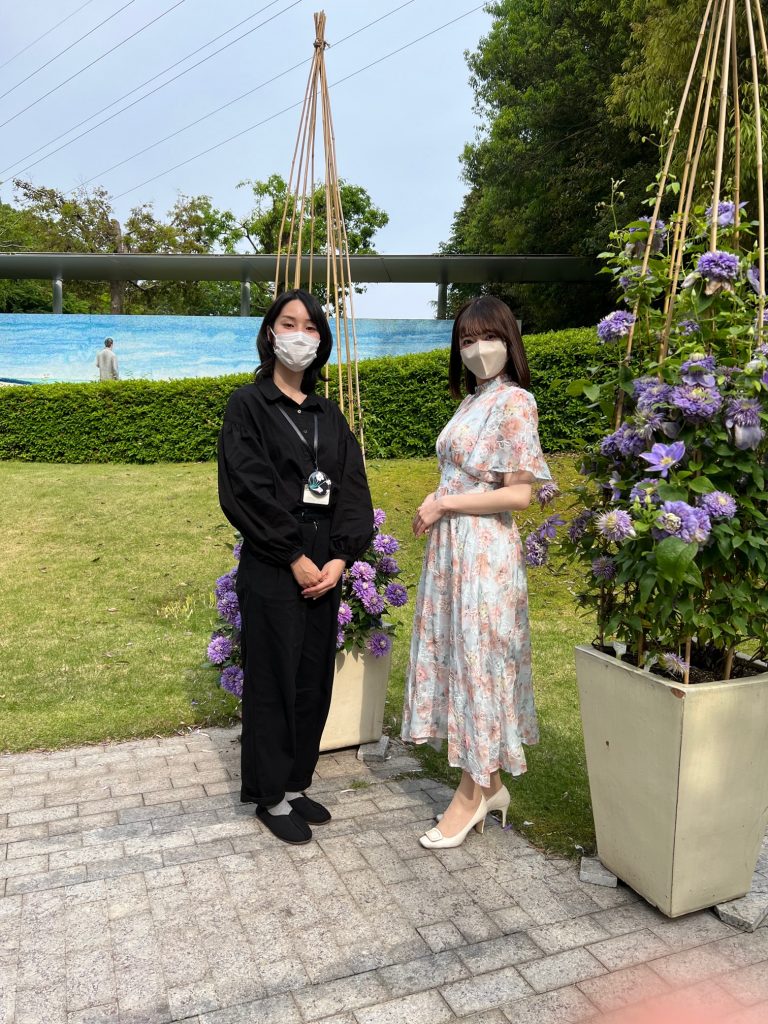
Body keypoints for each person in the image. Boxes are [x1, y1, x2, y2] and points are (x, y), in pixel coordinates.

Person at [217, 289, 373, 846]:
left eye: (310, 326)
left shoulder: (328, 414)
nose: (299, 335)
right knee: (273, 678)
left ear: (321, 340)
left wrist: (340, 557)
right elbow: (246, 489)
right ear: (270, 333)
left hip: (325, 563)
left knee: (311, 679)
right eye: (288, 324)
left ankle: (295, 781)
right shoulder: (248, 406)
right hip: (274, 562)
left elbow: (351, 486)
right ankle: (268, 794)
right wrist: (293, 556)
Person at [402, 295, 552, 850]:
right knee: (461, 663)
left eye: (488, 337)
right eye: (467, 340)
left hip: (485, 555)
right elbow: (462, 475)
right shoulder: (473, 400)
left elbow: (517, 494)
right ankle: (489, 787)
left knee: (480, 666)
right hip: (453, 553)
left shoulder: (515, 401)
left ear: (509, 340)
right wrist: (438, 497)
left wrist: (445, 504)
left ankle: (470, 796)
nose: (478, 349)